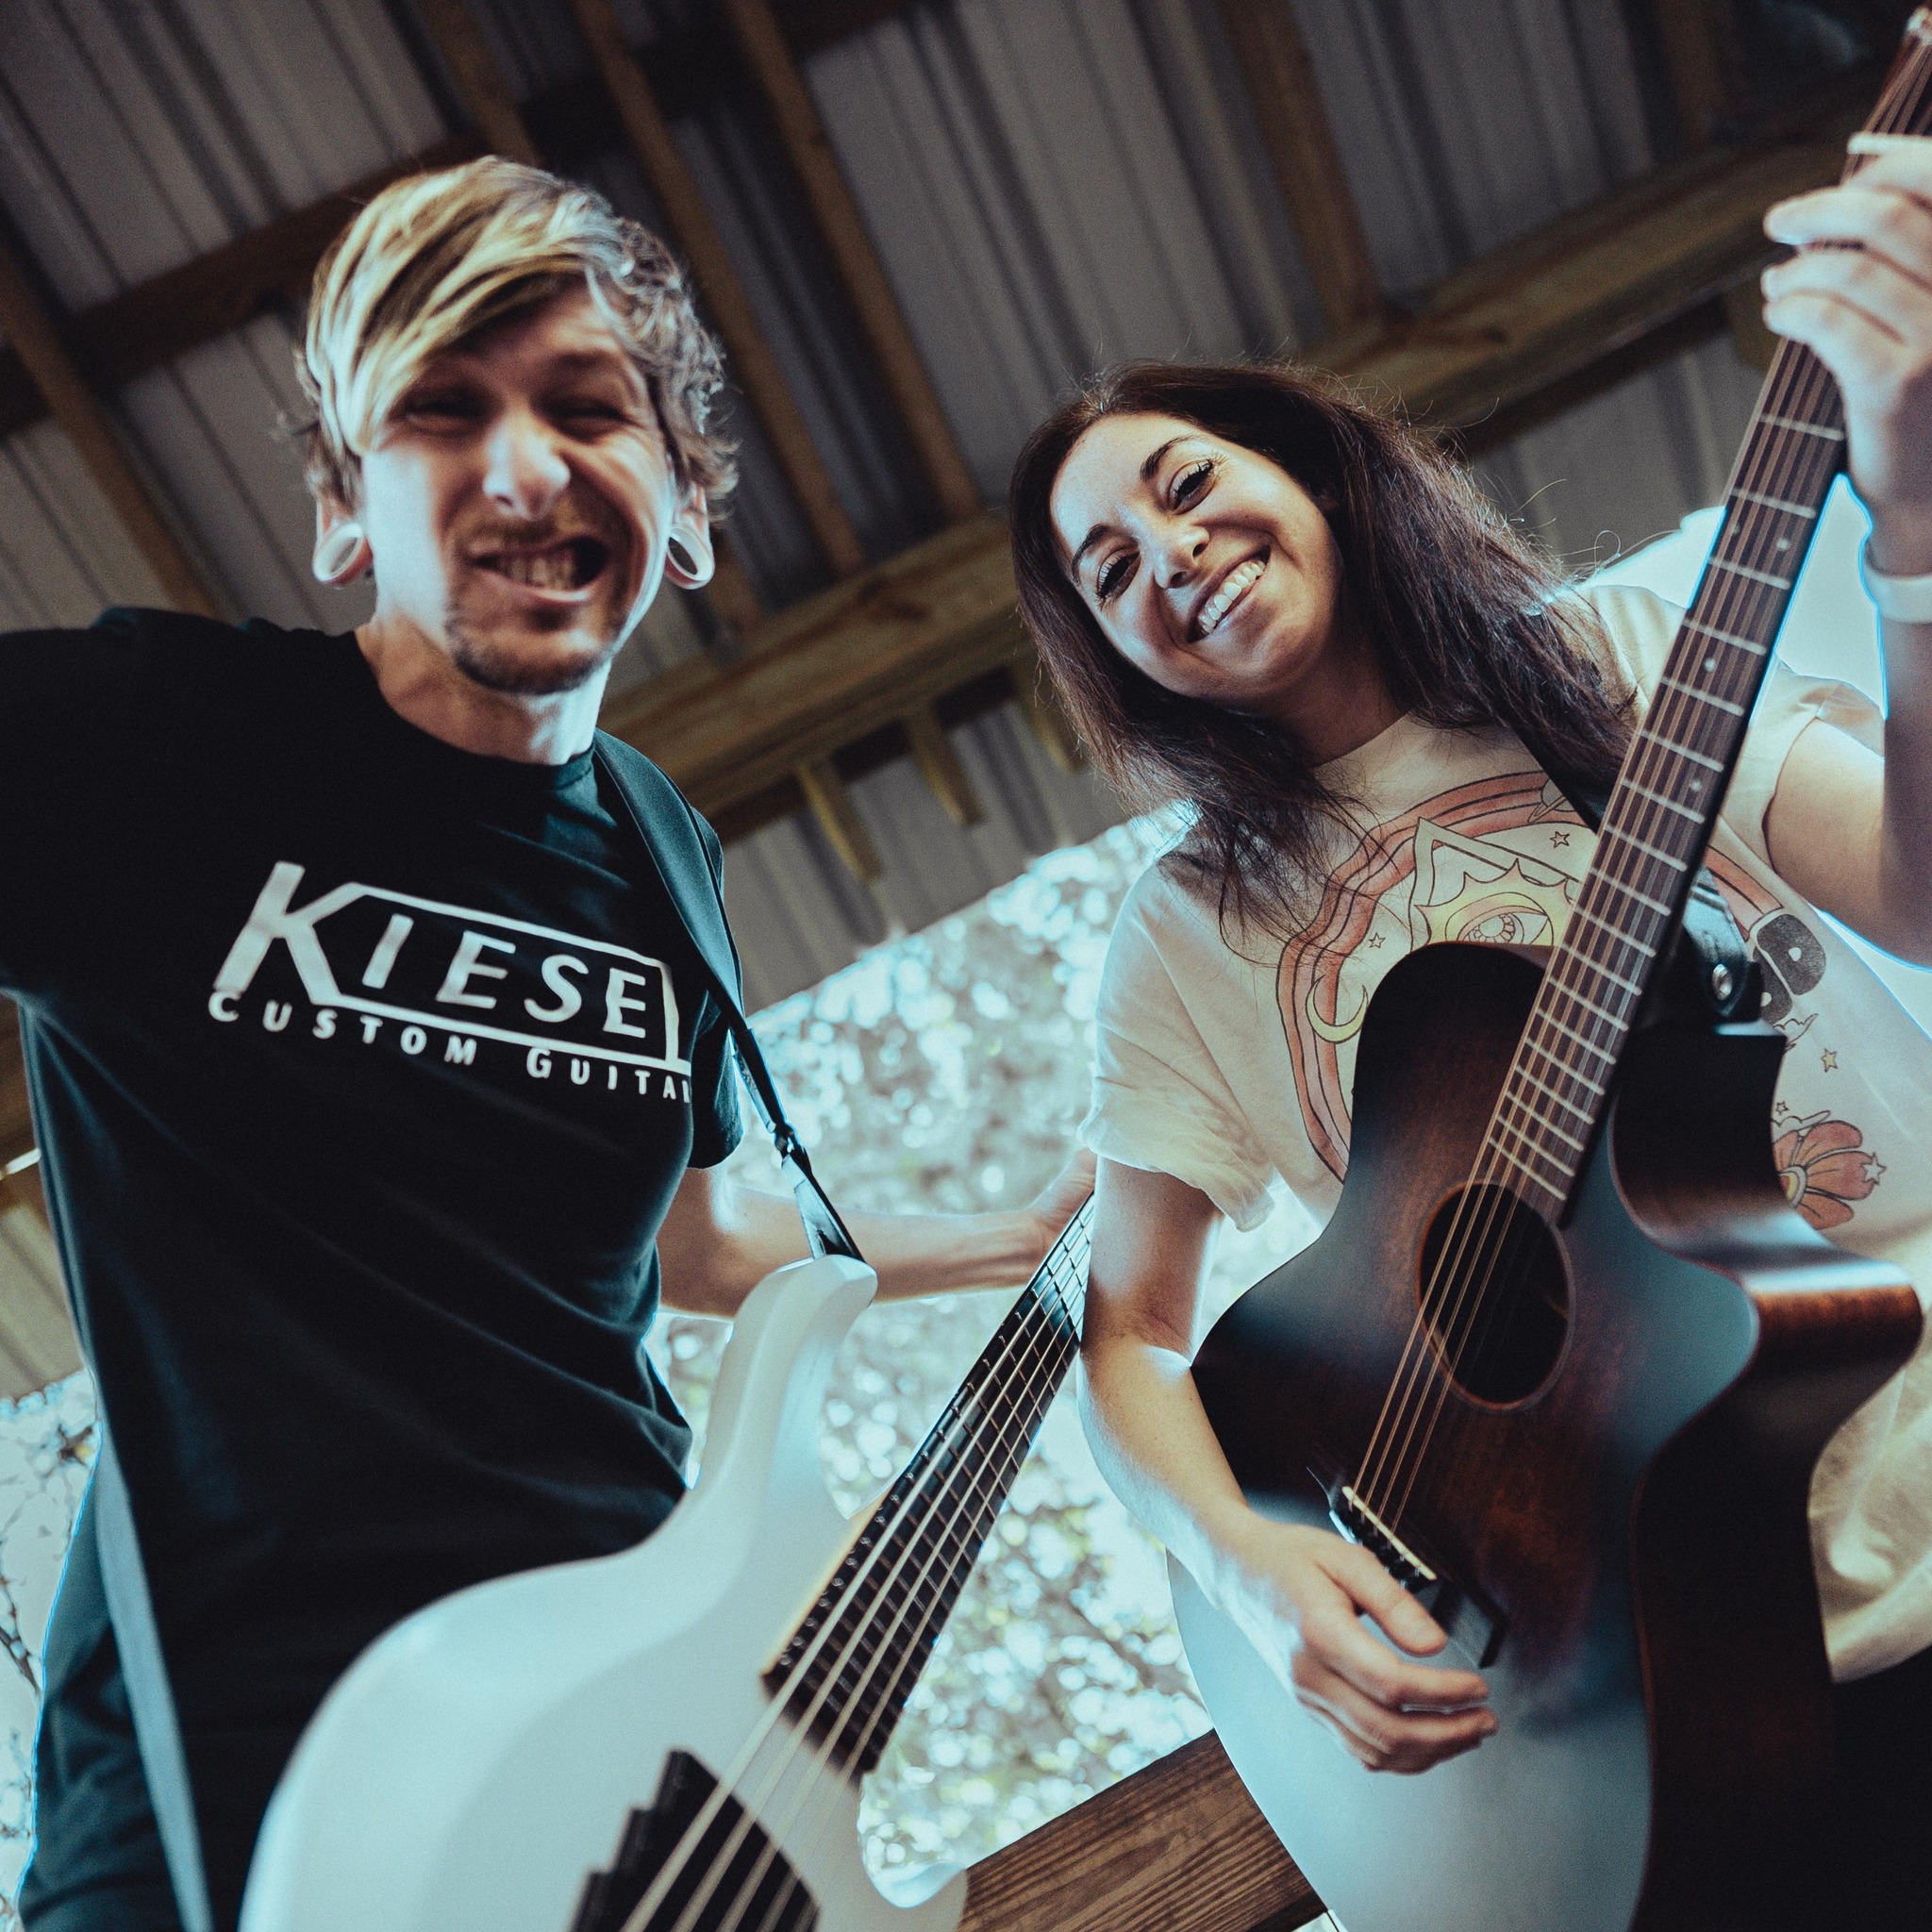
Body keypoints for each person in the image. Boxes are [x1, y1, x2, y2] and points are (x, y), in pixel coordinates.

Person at [4, 157, 1085, 1932]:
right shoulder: (157, 743)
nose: (524, 467)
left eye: (590, 409)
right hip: (251, 1748)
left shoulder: (664, 846)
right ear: (350, 510)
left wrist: (1016, 1243)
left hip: (630, 1730)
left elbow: (701, 1246)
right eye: (443, 413)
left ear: (688, 502)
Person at [1008, 146, 1932, 1913]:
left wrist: (1916, 526)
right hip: (1645, 1688)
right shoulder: (1188, 937)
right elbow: (1130, 1331)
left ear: (1313, 466)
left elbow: (1924, 894)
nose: (1174, 561)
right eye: (1111, 571)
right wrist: (1255, 1568)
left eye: (1193, 488)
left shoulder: (1623, 658)